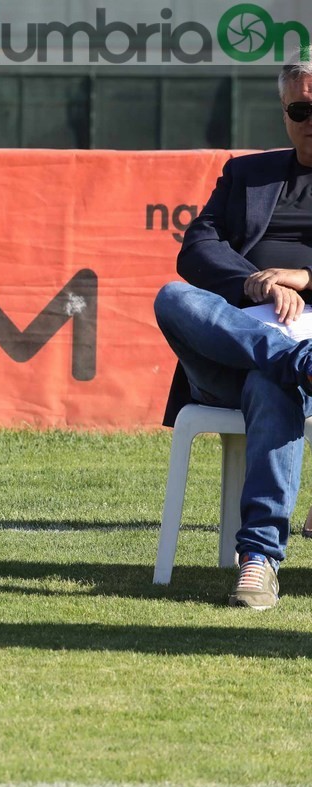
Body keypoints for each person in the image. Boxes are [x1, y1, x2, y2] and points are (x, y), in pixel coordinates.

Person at [154, 59, 312, 610]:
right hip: (232, 346)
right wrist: (254, 285)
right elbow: (195, 249)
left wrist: (303, 279)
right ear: (285, 114)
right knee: (172, 297)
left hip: (286, 359)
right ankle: (297, 361)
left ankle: (260, 559)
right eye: (301, 108)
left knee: (274, 387)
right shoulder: (249, 174)